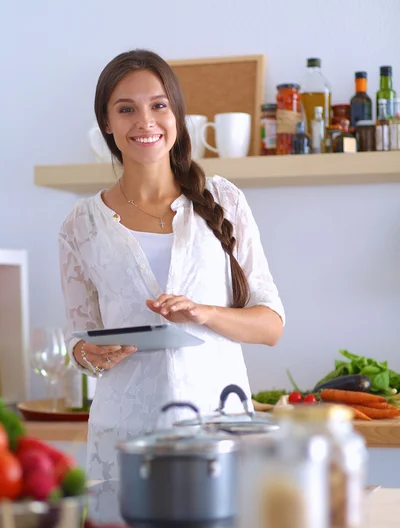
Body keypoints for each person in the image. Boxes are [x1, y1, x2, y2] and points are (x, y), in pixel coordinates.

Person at [59, 49, 285, 480]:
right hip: (124, 439)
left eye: (158, 105)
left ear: (176, 115)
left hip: (217, 431)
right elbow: (80, 340)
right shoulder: (80, 225)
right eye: (126, 109)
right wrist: (87, 354)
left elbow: (271, 324)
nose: (145, 122)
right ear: (107, 123)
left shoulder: (225, 200)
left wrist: (204, 313)